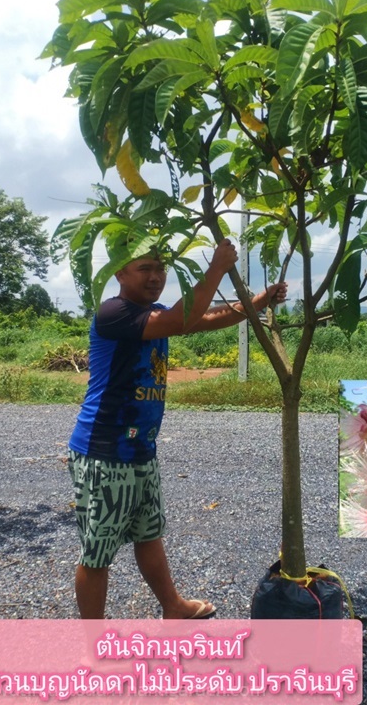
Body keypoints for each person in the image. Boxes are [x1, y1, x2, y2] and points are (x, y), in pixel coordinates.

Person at [67, 238, 287, 619]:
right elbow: (180, 320)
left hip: (140, 450)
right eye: (144, 269)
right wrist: (217, 266)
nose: (155, 277)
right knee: (97, 553)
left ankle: (173, 606)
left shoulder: (152, 313)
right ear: (120, 273)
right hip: (104, 451)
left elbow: (206, 317)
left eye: (159, 268)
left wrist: (261, 301)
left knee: (149, 533)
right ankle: (92, 642)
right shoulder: (114, 312)